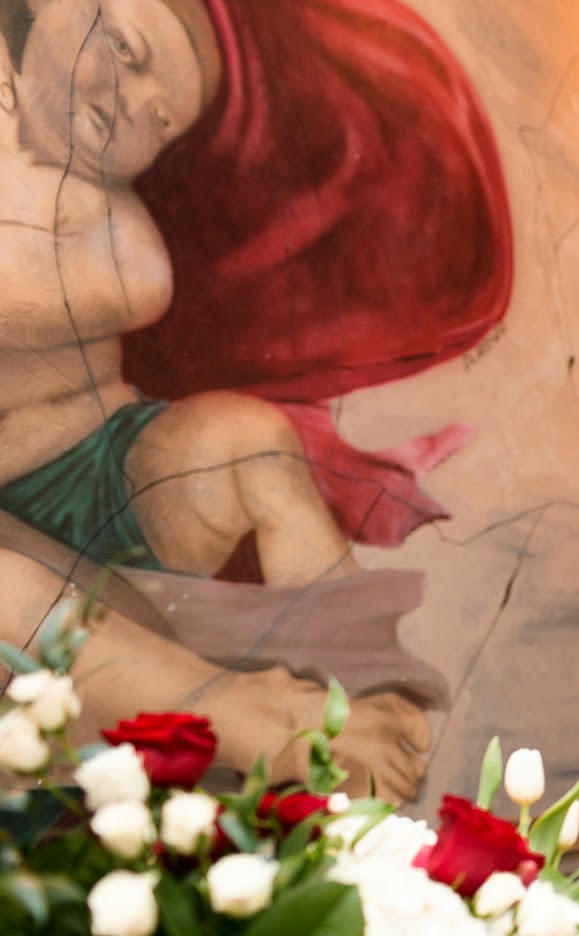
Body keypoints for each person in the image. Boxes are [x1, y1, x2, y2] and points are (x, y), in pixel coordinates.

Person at [0, 0, 512, 800]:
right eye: (127, 52)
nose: (135, 107)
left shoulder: (115, 234)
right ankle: (259, 718)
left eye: (162, 121)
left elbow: (96, 289)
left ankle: (362, 678)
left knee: (249, 439)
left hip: (102, 473)